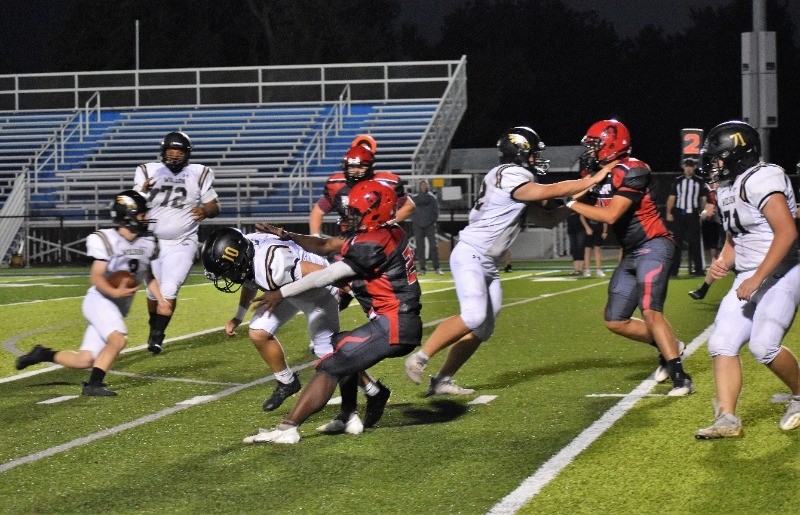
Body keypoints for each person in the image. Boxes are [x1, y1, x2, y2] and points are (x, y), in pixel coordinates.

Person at [404, 126, 607, 395]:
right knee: (474, 315)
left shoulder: (519, 182)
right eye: (533, 154)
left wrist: (573, 204)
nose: (536, 159)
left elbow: (546, 220)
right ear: (520, 153)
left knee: (484, 327)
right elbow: (554, 189)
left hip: (487, 262)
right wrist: (594, 178)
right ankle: (420, 358)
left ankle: (442, 379)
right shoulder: (510, 174)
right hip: (472, 253)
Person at [241, 180, 422, 444]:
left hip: (394, 324)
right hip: (395, 319)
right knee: (336, 343)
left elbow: (324, 276)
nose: (350, 216)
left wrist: (280, 293)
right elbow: (326, 246)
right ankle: (347, 413)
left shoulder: (371, 245)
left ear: (375, 213)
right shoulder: (385, 232)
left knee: (331, 363)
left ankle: (288, 428)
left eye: (357, 212)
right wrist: (288, 235)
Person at [199, 227, 392, 426]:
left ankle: (374, 392)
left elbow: (320, 273)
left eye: (226, 271)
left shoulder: (273, 264)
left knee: (329, 355)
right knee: (258, 332)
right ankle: (286, 381)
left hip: (317, 292)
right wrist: (238, 317)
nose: (226, 277)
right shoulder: (247, 251)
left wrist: (359, 294)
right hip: (282, 289)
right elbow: (250, 280)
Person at [564, 119, 694, 396]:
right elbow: (569, 192)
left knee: (649, 310)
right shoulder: (598, 172)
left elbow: (611, 215)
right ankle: (670, 345)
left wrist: (573, 203)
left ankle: (680, 376)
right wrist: (589, 182)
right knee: (615, 319)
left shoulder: (633, 168)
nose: (590, 151)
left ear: (611, 144)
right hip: (632, 252)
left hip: (655, 244)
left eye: (595, 144)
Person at [692, 121, 800, 438]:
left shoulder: (762, 178)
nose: (714, 163)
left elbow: (787, 231)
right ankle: (727, 419)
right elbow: (736, 236)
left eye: (718, 157)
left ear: (738, 155)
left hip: (784, 270)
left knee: (763, 345)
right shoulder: (729, 187)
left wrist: (758, 278)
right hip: (753, 273)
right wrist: (724, 260)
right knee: (721, 343)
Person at [15, 190, 167, 396]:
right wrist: (115, 290)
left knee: (84, 359)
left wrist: (160, 299)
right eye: (141, 214)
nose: (146, 218)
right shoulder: (106, 239)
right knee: (119, 340)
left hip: (118, 306)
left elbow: (149, 274)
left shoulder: (148, 242)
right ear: (126, 216)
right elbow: (96, 277)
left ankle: (42, 354)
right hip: (100, 300)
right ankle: (93, 385)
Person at [133, 131, 221, 355]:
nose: (174, 156)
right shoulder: (147, 171)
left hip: (183, 241)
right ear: (162, 152)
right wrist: (141, 193)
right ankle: (154, 327)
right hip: (152, 242)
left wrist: (204, 210)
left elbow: (215, 206)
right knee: (153, 294)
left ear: (187, 154)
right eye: (170, 151)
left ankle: (157, 335)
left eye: (179, 151)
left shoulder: (198, 173)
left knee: (169, 289)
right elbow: (133, 205)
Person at [308, 136, 414, 237]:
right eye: (352, 167)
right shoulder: (337, 185)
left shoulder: (385, 184)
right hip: (349, 238)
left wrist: (388, 222)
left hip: (379, 238)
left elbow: (409, 206)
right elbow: (317, 212)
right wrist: (316, 236)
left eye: (361, 167)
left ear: (370, 166)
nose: (355, 171)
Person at [666, 157, 708, 277]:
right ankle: (674, 270)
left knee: (695, 242)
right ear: (684, 167)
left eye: (691, 166)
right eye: (687, 166)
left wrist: (704, 211)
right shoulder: (678, 180)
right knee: (676, 242)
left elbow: (704, 199)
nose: (689, 169)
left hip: (693, 214)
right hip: (679, 214)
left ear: (694, 167)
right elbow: (672, 197)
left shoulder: (699, 181)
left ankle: (699, 269)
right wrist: (669, 213)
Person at [411, 179, 442, 275]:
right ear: (419, 186)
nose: (423, 186)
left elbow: (436, 211)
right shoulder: (414, 198)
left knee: (433, 246)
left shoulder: (432, 198)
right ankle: (422, 268)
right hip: (418, 225)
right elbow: (411, 210)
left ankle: (437, 268)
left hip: (430, 225)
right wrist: (416, 221)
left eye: (425, 185)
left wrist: (431, 221)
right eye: (422, 185)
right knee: (420, 247)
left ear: (427, 186)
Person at [566, 211, 587, 275]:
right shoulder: (567, 208)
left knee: (580, 248)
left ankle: (580, 268)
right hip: (571, 230)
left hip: (580, 229)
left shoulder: (579, 205)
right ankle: (576, 269)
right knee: (574, 248)